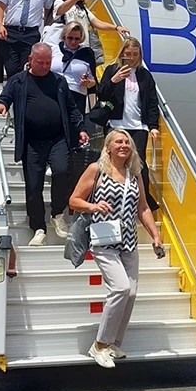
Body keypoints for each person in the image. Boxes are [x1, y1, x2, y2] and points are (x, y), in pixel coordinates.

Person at [69, 128, 164, 368]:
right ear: (108, 147)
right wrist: (93, 207)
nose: (123, 145)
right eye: (118, 142)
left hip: (129, 240)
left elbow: (143, 207)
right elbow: (74, 200)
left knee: (130, 293)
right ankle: (99, 345)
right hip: (104, 239)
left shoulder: (134, 174)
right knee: (120, 288)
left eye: (127, 142)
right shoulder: (97, 170)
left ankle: (113, 343)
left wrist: (155, 235)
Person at [0, 43, 89, 245]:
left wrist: (80, 128)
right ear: (30, 60)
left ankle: (57, 213)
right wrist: (1, 104)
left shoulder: (59, 81)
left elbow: (71, 108)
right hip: (32, 142)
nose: (44, 66)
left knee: (62, 171)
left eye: (47, 63)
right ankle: (38, 228)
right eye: (40, 62)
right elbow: (6, 96)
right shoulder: (19, 81)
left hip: (57, 138)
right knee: (34, 185)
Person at [96, 37, 160, 211]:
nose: (131, 58)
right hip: (116, 123)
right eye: (128, 54)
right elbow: (101, 94)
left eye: (135, 54)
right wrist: (114, 80)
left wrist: (153, 126)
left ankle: (143, 202)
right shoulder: (112, 70)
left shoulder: (145, 75)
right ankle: (107, 196)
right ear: (122, 54)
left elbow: (152, 102)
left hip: (138, 126)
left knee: (139, 164)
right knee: (111, 160)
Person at [50, 0, 128, 63]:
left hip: (82, 47)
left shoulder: (82, 8)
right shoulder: (59, 2)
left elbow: (97, 23)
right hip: (66, 48)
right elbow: (60, 10)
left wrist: (116, 27)